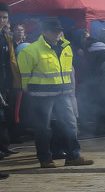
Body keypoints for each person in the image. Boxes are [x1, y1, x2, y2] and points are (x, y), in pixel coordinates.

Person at [17, 18, 93, 168]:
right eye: (54, 31)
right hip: (40, 96)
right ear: (44, 32)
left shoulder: (66, 47)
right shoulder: (30, 50)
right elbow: (24, 75)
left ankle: (73, 156)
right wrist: (28, 92)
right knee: (43, 128)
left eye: (59, 31)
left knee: (70, 125)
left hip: (62, 93)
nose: (58, 34)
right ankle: (45, 158)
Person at [0, 3, 20, 161]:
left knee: (5, 115)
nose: (1, 20)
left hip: (5, 81)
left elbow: (10, 60)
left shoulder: (6, 36)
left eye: (4, 17)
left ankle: (3, 146)